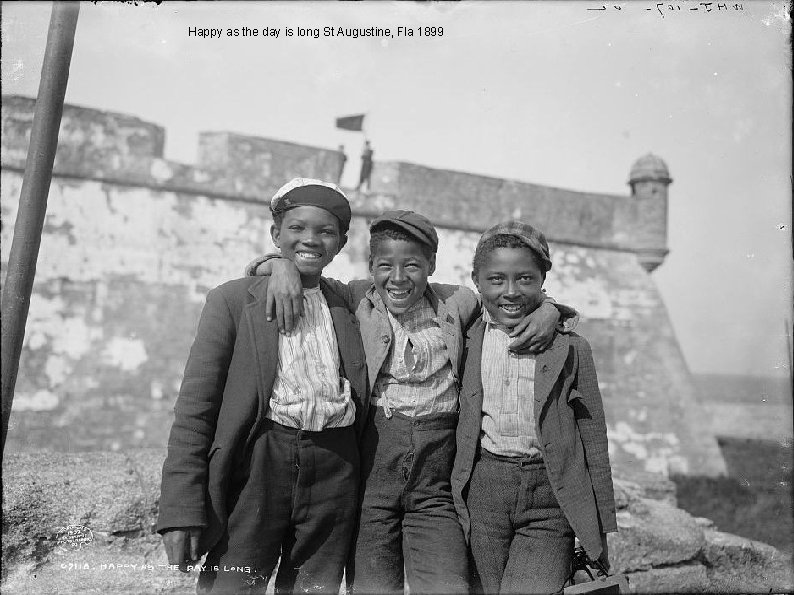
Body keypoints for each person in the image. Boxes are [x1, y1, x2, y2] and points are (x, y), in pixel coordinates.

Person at [247, 210, 577, 594]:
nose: (399, 278)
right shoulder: (354, 297)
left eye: (413, 266)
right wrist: (279, 265)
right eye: (385, 266)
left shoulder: (458, 303)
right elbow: (306, 276)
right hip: (372, 483)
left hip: (434, 489)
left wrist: (550, 311)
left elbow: (511, 297)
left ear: (432, 265)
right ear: (371, 267)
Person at [156, 178, 370, 595]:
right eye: (296, 229)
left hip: (335, 468)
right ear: (275, 235)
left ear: (342, 243)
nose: (310, 240)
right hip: (258, 463)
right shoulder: (232, 301)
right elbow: (195, 409)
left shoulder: (351, 302)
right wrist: (180, 510)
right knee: (233, 585)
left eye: (325, 232)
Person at [451, 220, 617, 594]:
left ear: (543, 279)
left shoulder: (572, 348)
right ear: (476, 281)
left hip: (549, 498)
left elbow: (594, 439)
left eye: (525, 279)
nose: (510, 292)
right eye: (496, 280)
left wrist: (602, 527)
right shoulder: (463, 336)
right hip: (483, 491)